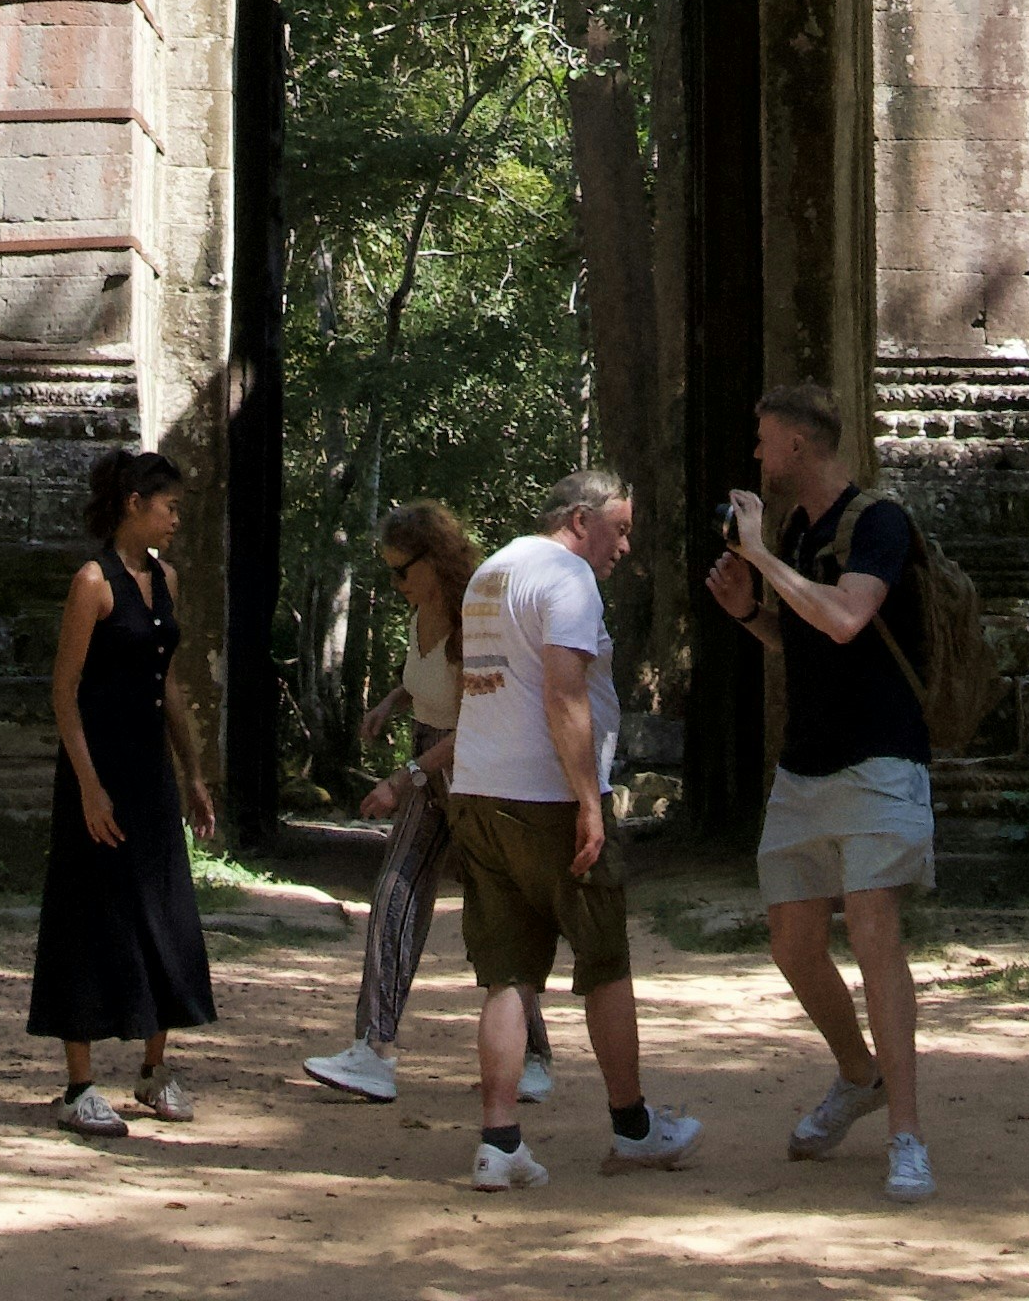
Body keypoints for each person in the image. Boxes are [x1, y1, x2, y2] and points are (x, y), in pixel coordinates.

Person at [706, 379, 940, 1204]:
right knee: (792, 942)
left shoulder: (876, 520)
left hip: (879, 757)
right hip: (804, 766)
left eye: (766, 441)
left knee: (874, 931)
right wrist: (749, 613)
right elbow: (803, 638)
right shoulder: (800, 529)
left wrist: (761, 556)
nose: (759, 455)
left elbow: (846, 619)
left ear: (799, 445)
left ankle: (907, 1136)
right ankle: (857, 1075)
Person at [439, 465, 702, 1191]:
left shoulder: (491, 571)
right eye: (618, 530)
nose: (623, 548)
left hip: (479, 790)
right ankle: (633, 1127)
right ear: (580, 522)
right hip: (548, 799)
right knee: (605, 962)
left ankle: (498, 1142)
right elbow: (563, 695)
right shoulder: (568, 579)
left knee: (507, 973)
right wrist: (589, 799)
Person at [303, 501, 548, 1107]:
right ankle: (374, 1051)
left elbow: (477, 723)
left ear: (434, 562)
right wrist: (392, 703)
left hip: (468, 774)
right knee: (393, 895)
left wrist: (404, 777)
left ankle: (533, 1056)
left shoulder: (474, 622)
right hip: (425, 766)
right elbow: (425, 681)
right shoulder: (419, 615)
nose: (394, 583)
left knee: (493, 912)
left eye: (400, 570)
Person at [29, 444, 220, 1135]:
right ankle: (79, 1085)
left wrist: (193, 772)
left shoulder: (165, 579)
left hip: (149, 772)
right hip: (96, 770)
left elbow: (165, 680)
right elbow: (63, 691)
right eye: (168, 507)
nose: (175, 519)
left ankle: (153, 1069)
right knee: (87, 916)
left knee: (164, 912)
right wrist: (87, 786)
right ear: (134, 505)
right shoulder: (93, 582)